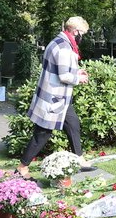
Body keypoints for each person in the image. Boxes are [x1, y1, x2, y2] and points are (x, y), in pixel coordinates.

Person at [17, 16, 93, 180]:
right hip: (54, 99)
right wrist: (79, 78)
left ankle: (78, 158)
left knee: (73, 124)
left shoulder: (57, 41)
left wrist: (76, 72)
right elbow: (64, 75)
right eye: (82, 34)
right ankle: (22, 167)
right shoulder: (65, 47)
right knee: (42, 133)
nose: (82, 37)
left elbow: (60, 68)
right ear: (75, 31)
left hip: (58, 98)